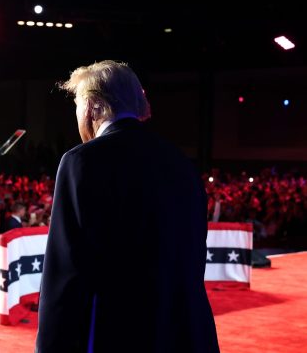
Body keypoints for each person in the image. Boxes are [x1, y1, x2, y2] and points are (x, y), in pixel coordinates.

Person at [35, 61, 219, 353]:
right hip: (183, 329)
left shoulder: (82, 162)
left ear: (93, 106)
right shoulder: (180, 162)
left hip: (118, 330)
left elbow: (65, 271)